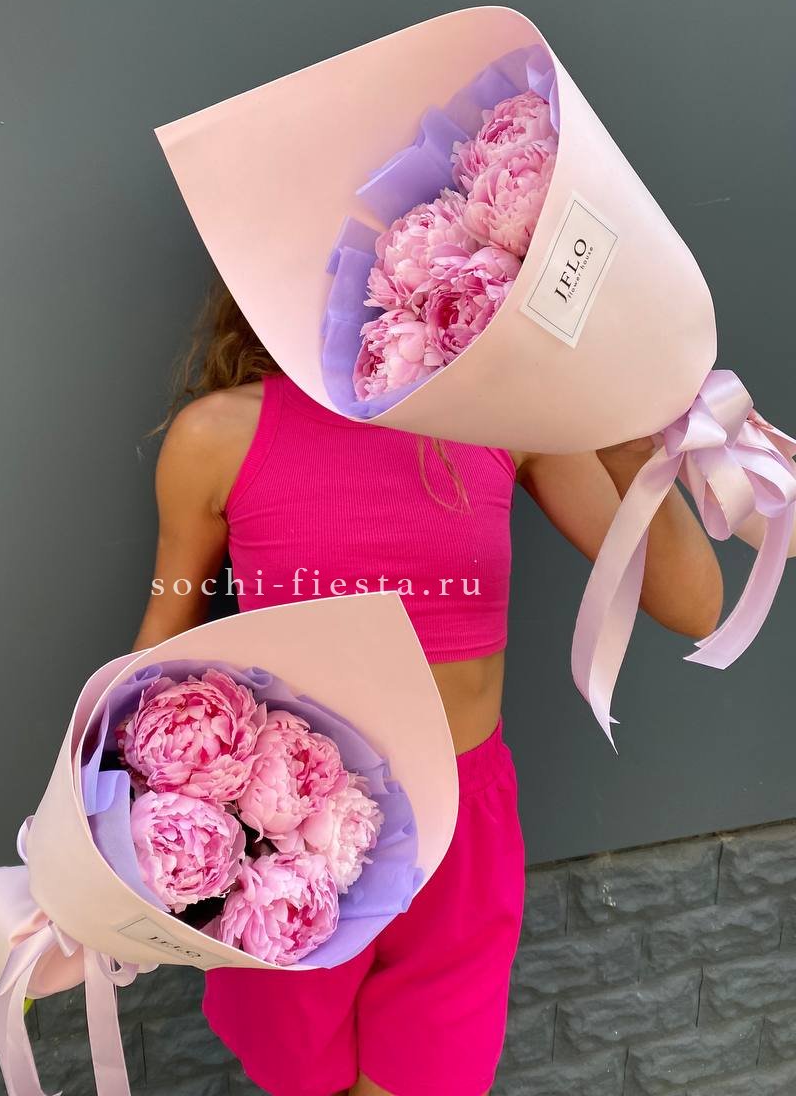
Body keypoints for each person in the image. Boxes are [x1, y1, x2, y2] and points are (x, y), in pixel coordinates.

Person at [132, 276, 724, 1096]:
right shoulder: (218, 436)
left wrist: (626, 439)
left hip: (462, 836)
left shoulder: (504, 421)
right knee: (301, 1078)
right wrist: (94, 831)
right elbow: (155, 659)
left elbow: (693, 605)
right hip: (286, 849)